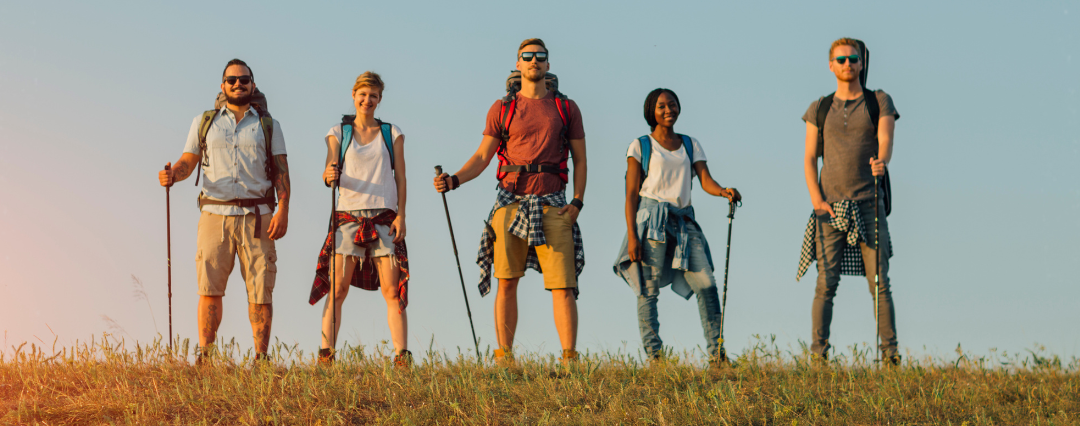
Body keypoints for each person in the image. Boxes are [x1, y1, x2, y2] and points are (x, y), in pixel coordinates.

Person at [433, 38, 586, 366]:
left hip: (554, 203)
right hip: (510, 202)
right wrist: (454, 179)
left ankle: (570, 359)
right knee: (507, 280)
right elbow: (482, 156)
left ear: (547, 64)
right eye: (527, 57)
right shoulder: (502, 108)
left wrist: (577, 202)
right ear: (518, 64)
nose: (534, 62)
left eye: (540, 57)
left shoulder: (566, 108)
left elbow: (581, 159)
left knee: (563, 284)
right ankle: (505, 357)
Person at [158, 58, 290, 363]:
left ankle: (261, 359)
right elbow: (188, 161)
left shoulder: (268, 125)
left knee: (261, 290)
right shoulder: (204, 122)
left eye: (244, 80)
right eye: (231, 80)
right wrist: (172, 175)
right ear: (222, 86)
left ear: (253, 85)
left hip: (258, 215)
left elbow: (282, 171)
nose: (238, 84)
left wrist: (283, 209)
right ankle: (205, 355)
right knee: (209, 288)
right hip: (214, 214)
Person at [613, 88, 741, 364]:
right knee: (648, 289)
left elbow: (705, 180)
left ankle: (717, 355)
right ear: (651, 111)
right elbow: (631, 194)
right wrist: (632, 237)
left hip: (684, 220)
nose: (668, 110)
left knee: (706, 284)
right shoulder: (640, 145)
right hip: (651, 219)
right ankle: (655, 357)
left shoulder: (690, 144)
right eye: (661, 106)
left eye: (672, 104)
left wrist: (724, 191)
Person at [796, 38, 900, 365]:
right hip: (829, 207)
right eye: (840, 59)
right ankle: (819, 358)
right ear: (831, 65)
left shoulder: (878, 101)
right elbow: (810, 157)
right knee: (825, 283)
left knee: (879, 283)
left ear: (861, 64)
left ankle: (890, 357)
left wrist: (881, 161)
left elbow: (885, 139)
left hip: (869, 202)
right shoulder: (819, 108)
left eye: (853, 59)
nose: (847, 64)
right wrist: (817, 199)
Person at [308, 71, 411, 367]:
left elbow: (401, 178)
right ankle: (326, 355)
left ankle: (401, 356)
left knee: (392, 290)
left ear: (380, 100)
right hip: (347, 216)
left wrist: (402, 215)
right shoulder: (338, 133)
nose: (368, 100)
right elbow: (329, 171)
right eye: (363, 94)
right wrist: (328, 176)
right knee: (338, 289)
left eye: (374, 96)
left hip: (384, 215)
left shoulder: (392, 134)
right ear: (353, 95)